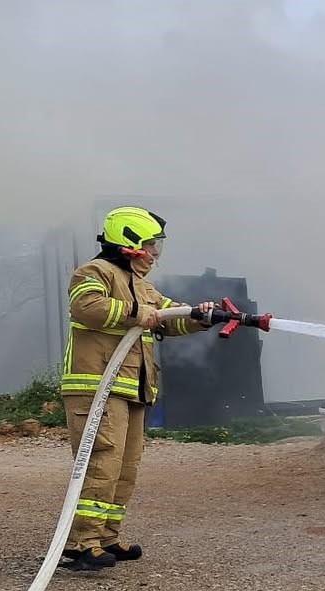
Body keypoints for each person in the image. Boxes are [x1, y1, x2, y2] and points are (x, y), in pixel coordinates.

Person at [60, 206, 215, 571]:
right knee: (103, 462)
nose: (156, 252)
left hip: (132, 388)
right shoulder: (95, 272)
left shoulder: (142, 285)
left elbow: (169, 317)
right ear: (129, 243)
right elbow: (86, 306)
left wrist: (200, 316)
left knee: (125, 467)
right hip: (97, 386)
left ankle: (107, 537)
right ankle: (83, 542)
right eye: (151, 244)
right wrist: (136, 313)